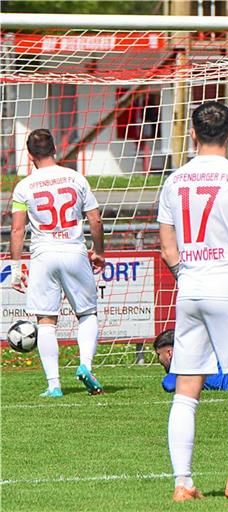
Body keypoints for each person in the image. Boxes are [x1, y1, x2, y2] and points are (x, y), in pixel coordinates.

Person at [157, 101, 228, 502]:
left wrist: (188, 275)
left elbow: (167, 246)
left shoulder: (173, 181)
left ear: (192, 134)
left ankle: (183, 483)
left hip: (190, 286)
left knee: (187, 388)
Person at [10, 129, 105, 398]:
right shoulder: (76, 178)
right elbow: (95, 220)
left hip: (43, 255)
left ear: (30, 156)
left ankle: (54, 385)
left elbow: (18, 230)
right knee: (86, 314)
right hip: (74, 251)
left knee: (46, 320)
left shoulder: (24, 186)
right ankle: (85, 365)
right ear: (55, 149)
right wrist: (98, 251)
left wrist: (16, 269)